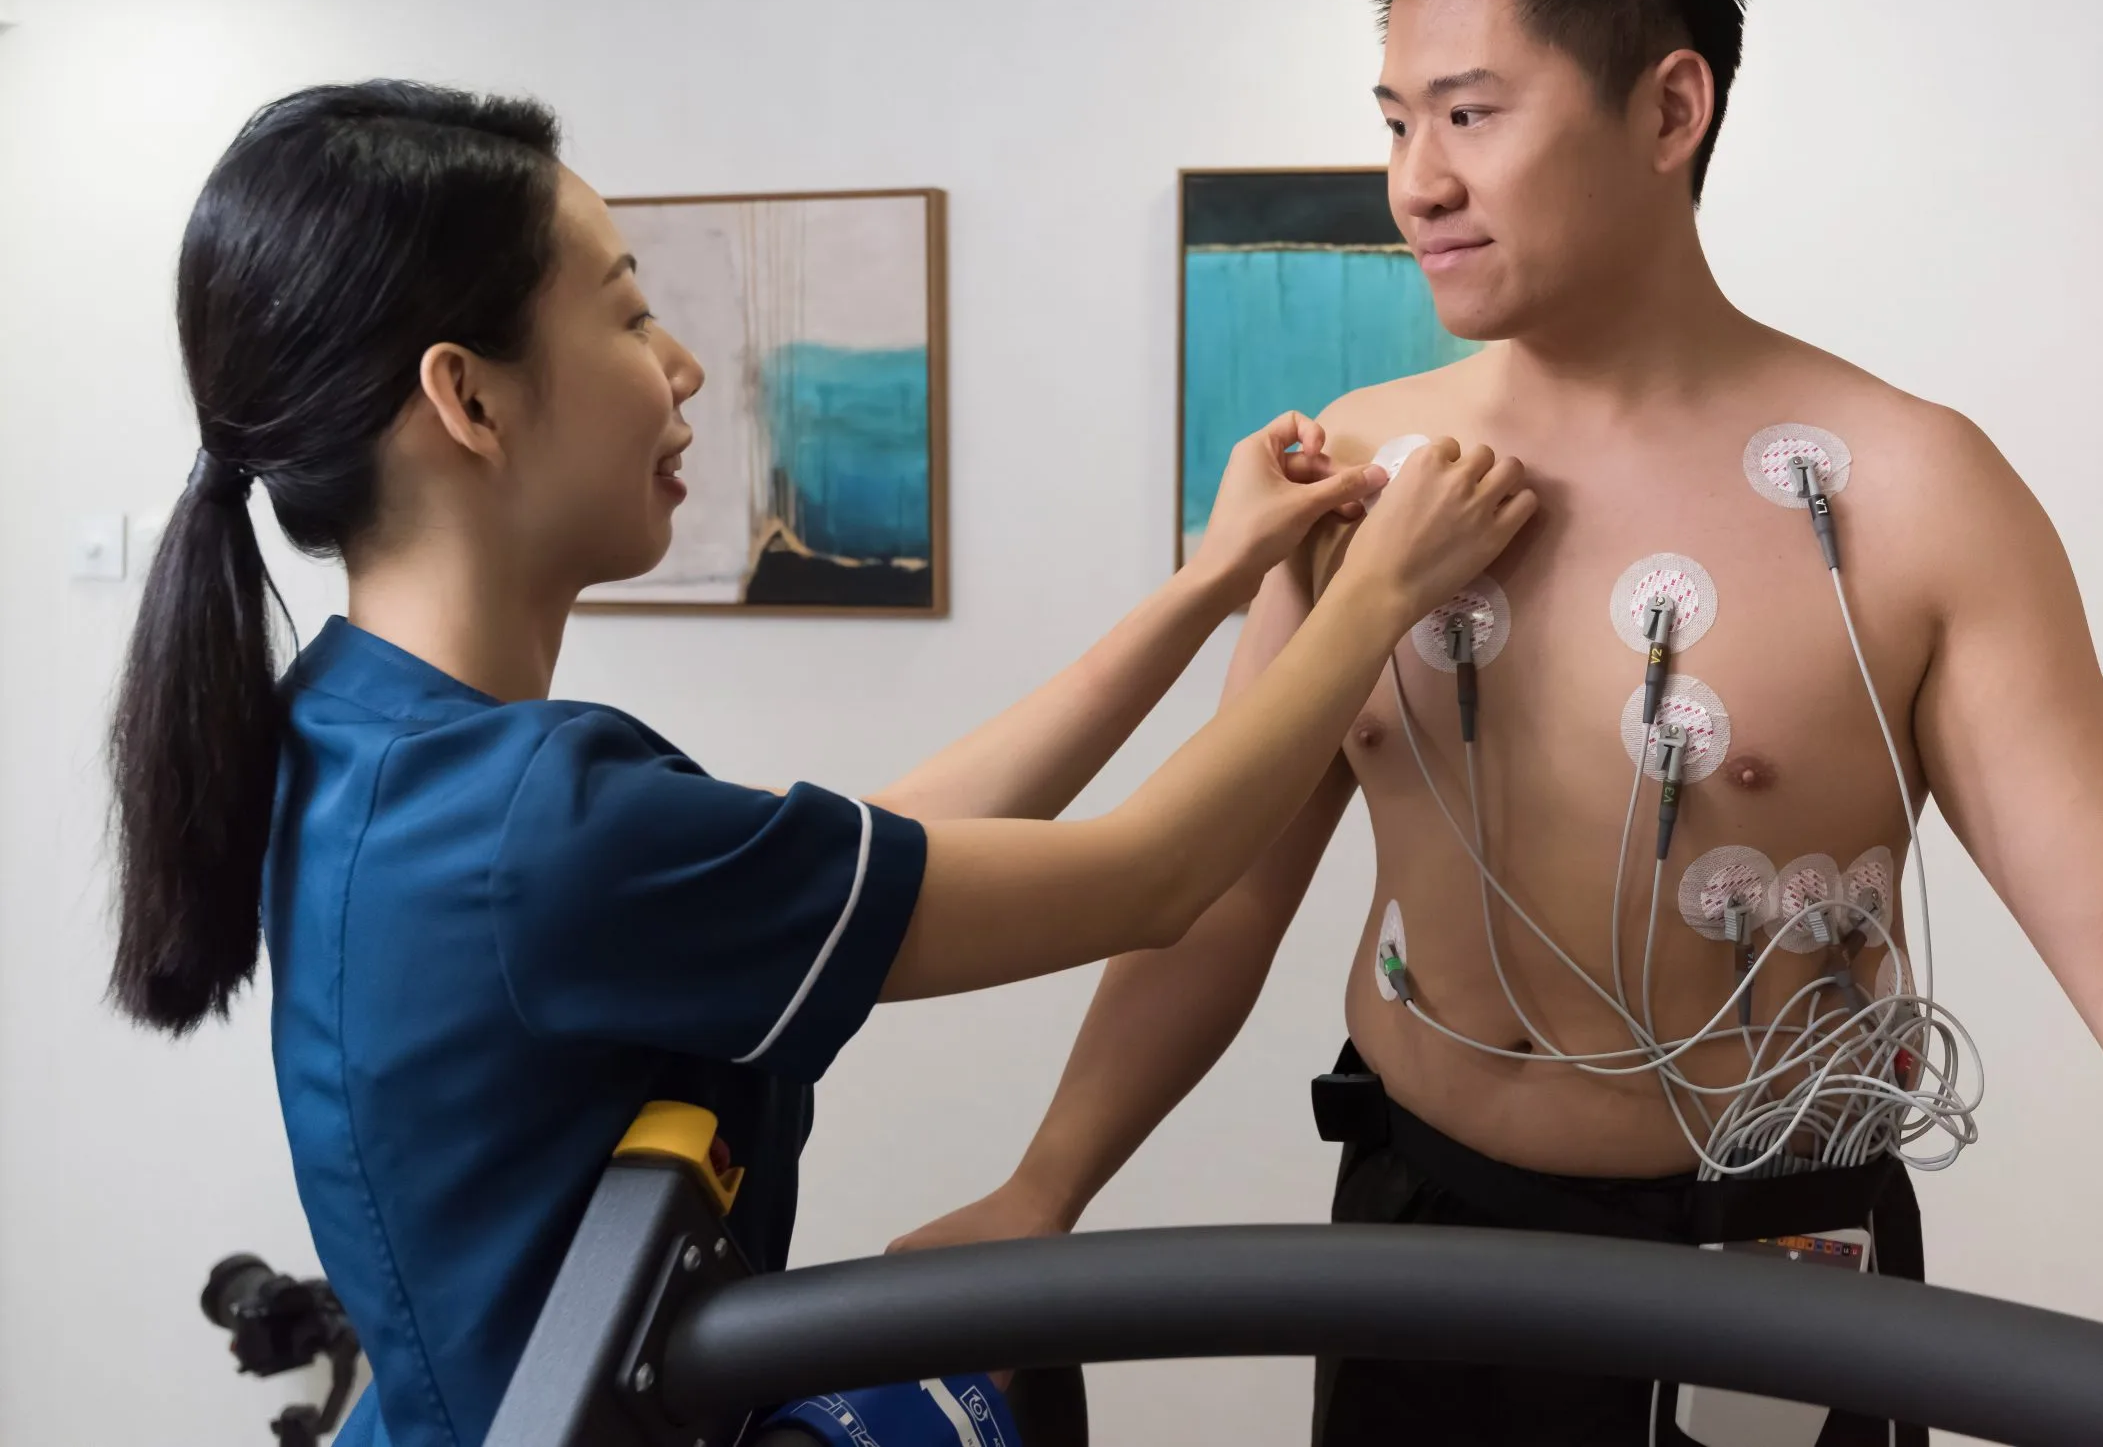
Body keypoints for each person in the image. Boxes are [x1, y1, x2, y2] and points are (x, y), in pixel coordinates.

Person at [894, 0, 2103, 1447]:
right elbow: (1220, 882)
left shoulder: (1913, 494)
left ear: (1669, 107)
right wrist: (1047, 1183)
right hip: (1418, 1225)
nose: (1417, 181)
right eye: (1396, 119)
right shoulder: (1361, 471)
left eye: (1471, 112)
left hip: (1771, 1262)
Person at [104, 81, 1535, 1447]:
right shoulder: (531, 828)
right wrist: (1373, 602)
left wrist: (1210, 584)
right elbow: (1154, 876)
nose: (683, 366)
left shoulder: (359, 734)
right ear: (469, 401)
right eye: (628, 314)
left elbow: (876, 845)